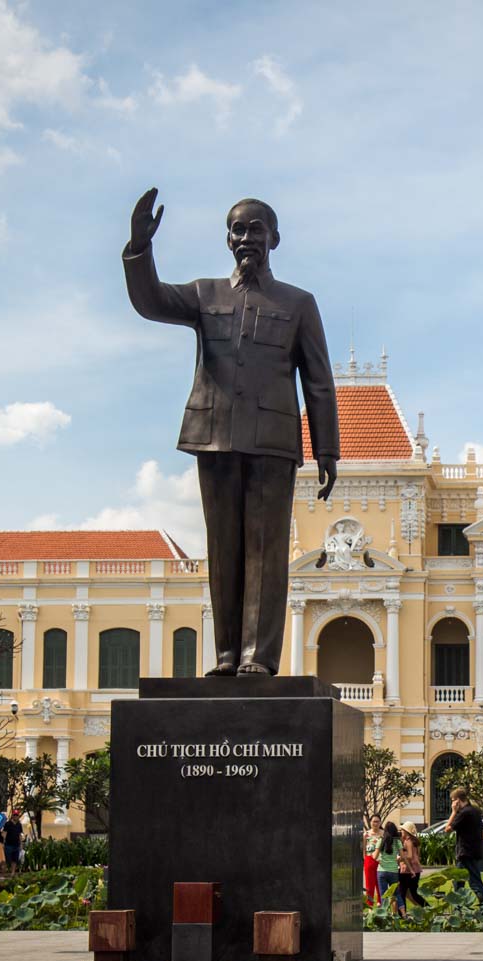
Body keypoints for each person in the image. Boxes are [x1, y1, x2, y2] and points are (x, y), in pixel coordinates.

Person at [123, 189, 339, 676]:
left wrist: (327, 449)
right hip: (213, 435)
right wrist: (139, 250)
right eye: (238, 230)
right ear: (227, 239)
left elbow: (319, 380)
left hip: (272, 442)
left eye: (256, 229)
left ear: (275, 238)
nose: (246, 238)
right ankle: (225, 655)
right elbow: (151, 300)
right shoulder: (205, 294)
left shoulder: (299, 303)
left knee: (266, 552)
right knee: (223, 550)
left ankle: (257, 658)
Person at [446, 787, 483, 903]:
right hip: (473, 850)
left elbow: (448, 829)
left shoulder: (464, 813)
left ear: (458, 800)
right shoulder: (475, 811)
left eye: (453, 800)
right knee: (458, 881)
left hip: (465, 852)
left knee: (474, 881)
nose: (452, 803)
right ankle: (459, 907)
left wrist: (454, 812)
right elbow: (482, 833)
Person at [396, 821, 428, 915]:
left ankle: (402, 914)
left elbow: (409, 856)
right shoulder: (415, 841)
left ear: (406, 831)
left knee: (402, 893)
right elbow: (418, 855)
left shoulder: (408, 841)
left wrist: (399, 858)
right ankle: (428, 907)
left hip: (407, 870)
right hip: (416, 869)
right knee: (414, 893)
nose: (401, 831)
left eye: (402, 830)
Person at [374, 821, 402, 909]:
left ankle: (384, 915)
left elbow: (375, 856)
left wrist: (371, 854)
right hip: (393, 871)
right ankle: (402, 914)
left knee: (384, 895)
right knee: (396, 894)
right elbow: (402, 855)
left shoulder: (381, 841)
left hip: (382, 871)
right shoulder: (397, 842)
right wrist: (397, 860)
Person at [362, 815, 381, 904]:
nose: (375, 823)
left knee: (380, 883)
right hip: (369, 861)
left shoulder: (383, 834)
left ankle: (381, 904)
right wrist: (365, 859)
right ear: (370, 822)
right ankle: (369, 906)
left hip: (381, 861)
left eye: (377, 821)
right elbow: (363, 849)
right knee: (369, 885)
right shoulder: (366, 834)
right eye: (374, 821)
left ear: (380, 823)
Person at [3, 810, 24, 874]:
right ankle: (4, 872)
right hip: (8, 844)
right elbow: (4, 833)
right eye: (14, 815)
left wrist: (21, 844)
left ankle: (13, 873)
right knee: (7, 859)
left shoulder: (19, 825)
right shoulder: (7, 824)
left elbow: (20, 835)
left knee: (14, 860)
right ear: (12, 816)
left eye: (17, 815)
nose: (16, 817)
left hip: (16, 845)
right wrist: (3, 842)